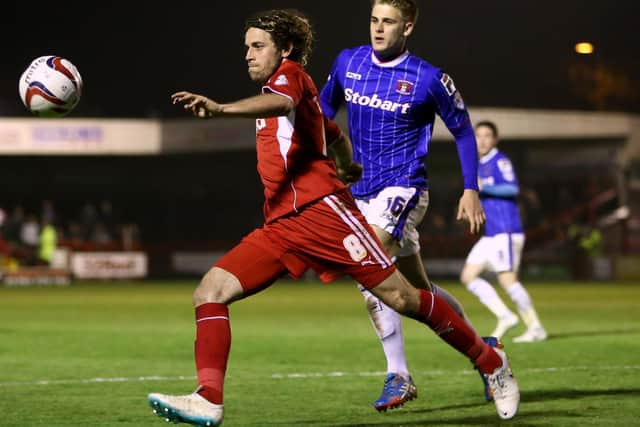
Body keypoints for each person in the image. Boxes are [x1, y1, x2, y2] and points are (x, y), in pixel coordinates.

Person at [147, 9, 519, 426]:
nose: (247, 55)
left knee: (402, 298)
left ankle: (490, 362)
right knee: (210, 291)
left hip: (327, 215)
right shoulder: (314, 78)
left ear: (285, 49)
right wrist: (347, 163)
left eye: (257, 47)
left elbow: (284, 100)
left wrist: (220, 109)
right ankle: (208, 399)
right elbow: (331, 129)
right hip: (284, 225)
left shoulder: (288, 77)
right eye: (246, 47)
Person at [319, 0, 489, 410]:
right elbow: (323, 109)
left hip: (403, 188)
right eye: (374, 20)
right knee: (417, 291)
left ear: (407, 27)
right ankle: (485, 352)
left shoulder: (430, 78)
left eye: (389, 22)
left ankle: (399, 375)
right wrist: (321, 157)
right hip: (358, 191)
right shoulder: (348, 62)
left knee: (369, 267)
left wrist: (471, 188)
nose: (379, 29)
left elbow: (464, 132)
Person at [460, 121, 547, 342]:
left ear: (495, 139)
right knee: (468, 276)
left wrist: (483, 187)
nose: (482, 140)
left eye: (487, 135)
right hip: (491, 234)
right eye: (478, 136)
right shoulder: (479, 165)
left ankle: (535, 327)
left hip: (506, 231)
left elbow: (512, 188)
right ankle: (506, 316)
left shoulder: (500, 161)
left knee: (508, 280)